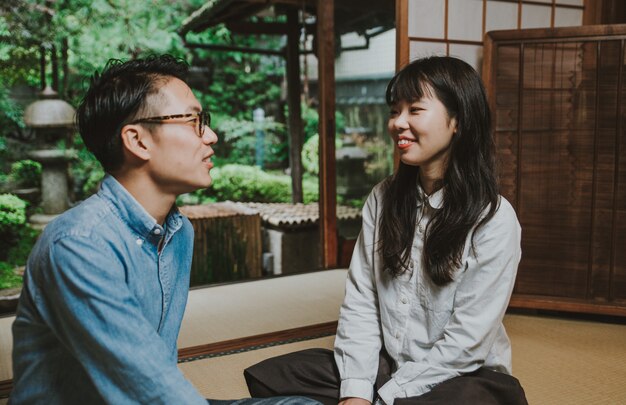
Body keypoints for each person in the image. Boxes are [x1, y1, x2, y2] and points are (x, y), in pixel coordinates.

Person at [10, 54, 320, 405]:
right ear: (138, 141)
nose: (212, 136)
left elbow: (158, 372)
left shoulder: (178, 231)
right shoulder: (78, 245)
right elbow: (147, 385)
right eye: (194, 121)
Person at [243, 56, 528, 404]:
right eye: (395, 111)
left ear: (458, 121)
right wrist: (357, 392)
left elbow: (466, 344)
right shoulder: (383, 198)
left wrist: (384, 397)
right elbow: (361, 302)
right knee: (274, 375)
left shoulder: (493, 218)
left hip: (462, 376)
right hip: (389, 365)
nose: (398, 123)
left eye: (415, 110)